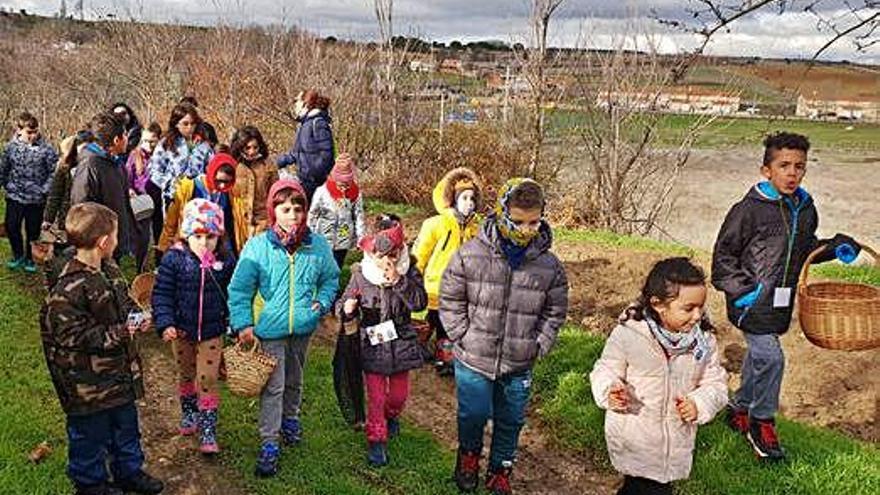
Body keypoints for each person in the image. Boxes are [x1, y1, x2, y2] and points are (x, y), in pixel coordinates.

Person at [712, 131, 861, 462]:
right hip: (750, 303)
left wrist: (835, 247)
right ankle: (761, 421)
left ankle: (738, 409)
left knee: (759, 357)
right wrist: (743, 291)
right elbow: (723, 258)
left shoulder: (805, 208)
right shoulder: (747, 210)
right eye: (784, 165)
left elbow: (805, 248)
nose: (792, 173)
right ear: (766, 170)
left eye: (799, 166)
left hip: (781, 303)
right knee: (773, 358)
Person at [440, 178, 568, 495]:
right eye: (519, 221)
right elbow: (451, 298)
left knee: (511, 420)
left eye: (534, 222)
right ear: (501, 213)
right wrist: (461, 335)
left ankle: (501, 469)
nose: (526, 229)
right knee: (474, 413)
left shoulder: (549, 266)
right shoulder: (470, 255)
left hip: (519, 360)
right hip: (473, 356)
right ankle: (468, 456)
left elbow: (555, 310)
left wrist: (540, 343)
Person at [39, 202, 163, 495]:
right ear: (104, 242)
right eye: (117, 236)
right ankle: (90, 483)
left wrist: (137, 315)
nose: (117, 241)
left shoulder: (109, 269)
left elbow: (124, 299)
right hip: (86, 386)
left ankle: (128, 471)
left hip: (117, 377)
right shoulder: (67, 288)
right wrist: (123, 331)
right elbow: (74, 336)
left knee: (125, 426)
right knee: (89, 435)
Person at [227, 179, 340, 477]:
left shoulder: (317, 246)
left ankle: (291, 420)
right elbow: (239, 290)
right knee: (273, 386)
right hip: (270, 330)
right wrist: (243, 324)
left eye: (298, 209)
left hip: (302, 327)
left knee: (295, 379)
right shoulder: (258, 247)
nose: (293, 215)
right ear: (273, 210)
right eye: (285, 208)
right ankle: (269, 442)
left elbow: (330, 278)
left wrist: (321, 304)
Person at [590, 258, 728, 495]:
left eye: (700, 307)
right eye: (688, 308)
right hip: (635, 436)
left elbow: (716, 383)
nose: (697, 316)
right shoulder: (629, 334)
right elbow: (606, 368)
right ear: (658, 304)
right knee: (646, 488)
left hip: (674, 441)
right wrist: (609, 390)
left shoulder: (703, 342)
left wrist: (700, 402)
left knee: (652, 487)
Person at [337, 214, 427, 466]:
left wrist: (400, 282)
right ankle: (377, 439)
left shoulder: (410, 272)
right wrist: (347, 308)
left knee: (398, 395)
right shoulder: (361, 276)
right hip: (373, 342)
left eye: (393, 255)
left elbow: (419, 302)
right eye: (381, 257)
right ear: (370, 254)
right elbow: (342, 303)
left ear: (401, 252)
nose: (388, 262)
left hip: (401, 341)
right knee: (375, 397)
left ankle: (392, 415)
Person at [152, 199, 235, 455]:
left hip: (211, 330)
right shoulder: (174, 259)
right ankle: (190, 412)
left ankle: (209, 428)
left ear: (218, 236)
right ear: (187, 234)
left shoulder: (226, 260)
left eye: (210, 236)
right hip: (183, 330)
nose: (203, 242)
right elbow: (162, 293)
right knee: (186, 373)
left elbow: (234, 292)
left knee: (207, 378)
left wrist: (234, 320)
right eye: (197, 236)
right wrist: (166, 322)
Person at [413, 167, 482, 375]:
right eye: (464, 198)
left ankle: (444, 356)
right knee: (430, 318)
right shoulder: (436, 224)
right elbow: (420, 253)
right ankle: (417, 347)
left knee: (450, 321)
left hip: (461, 286)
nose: (468, 204)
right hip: (435, 284)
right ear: (453, 200)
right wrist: (414, 275)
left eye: (472, 199)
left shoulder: (477, 229)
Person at [70, 112, 138, 262]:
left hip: (113, 242)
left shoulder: (116, 163)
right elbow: (81, 209)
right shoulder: (90, 166)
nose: (128, 139)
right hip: (98, 246)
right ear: (116, 140)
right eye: (125, 134)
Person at [158, 152, 247, 257]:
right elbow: (171, 220)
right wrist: (166, 245)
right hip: (192, 242)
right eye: (219, 180)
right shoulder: (188, 188)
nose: (222, 186)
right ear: (211, 173)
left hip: (219, 244)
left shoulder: (231, 193)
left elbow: (237, 222)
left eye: (227, 182)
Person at [1, 112, 58, 273]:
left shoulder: (47, 149)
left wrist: (44, 190)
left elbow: (54, 172)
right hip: (14, 196)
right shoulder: (10, 148)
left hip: (36, 199)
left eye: (35, 132)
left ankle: (30, 258)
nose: (33, 135)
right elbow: (3, 168)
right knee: (12, 227)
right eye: (29, 132)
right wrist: (6, 185)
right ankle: (18, 255)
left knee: (33, 231)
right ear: (19, 130)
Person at [308, 153, 365, 269]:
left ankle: (334, 284)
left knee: (337, 264)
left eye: (346, 184)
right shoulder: (322, 192)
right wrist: (309, 234)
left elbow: (359, 216)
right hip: (323, 235)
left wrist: (361, 237)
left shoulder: (355, 194)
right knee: (322, 264)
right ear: (334, 179)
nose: (343, 188)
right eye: (340, 184)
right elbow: (313, 214)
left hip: (344, 236)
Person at [276, 90, 334, 202]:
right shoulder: (304, 124)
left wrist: (314, 175)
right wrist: (277, 162)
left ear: (305, 103)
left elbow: (327, 155)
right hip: (305, 181)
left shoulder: (318, 123)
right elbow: (297, 153)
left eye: (297, 101)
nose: (295, 105)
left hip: (314, 183)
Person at [148, 103, 214, 202]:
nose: (190, 127)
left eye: (193, 123)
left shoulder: (203, 145)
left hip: (200, 198)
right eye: (185, 123)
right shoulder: (167, 143)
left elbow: (212, 168)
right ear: (176, 124)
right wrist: (169, 184)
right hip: (173, 197)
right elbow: (154, 171)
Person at [230, 125, 279, 238]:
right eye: (247, 148)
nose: (252, 152)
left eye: (255, 147)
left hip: (263, 220)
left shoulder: (268, 165)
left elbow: (275, 193)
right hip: (240, 222)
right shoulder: (234, 166)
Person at [126, 122, 162, 271]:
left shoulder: (162, 155)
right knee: (143, 238)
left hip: (160, 200)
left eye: (152, 141)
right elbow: (127, 177)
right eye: (145, 141)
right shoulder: (135, 156)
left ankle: (159, 265)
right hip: (143, 201)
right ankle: (139, 268)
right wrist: (130, 190)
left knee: (160, 235)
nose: (148, 144)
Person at [44, 130, 93, 233]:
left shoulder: (95, 166)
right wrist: (48, 219)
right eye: (83, 149)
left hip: (88, 216)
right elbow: (55, 193)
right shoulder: (64, 166)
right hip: (68, 215)